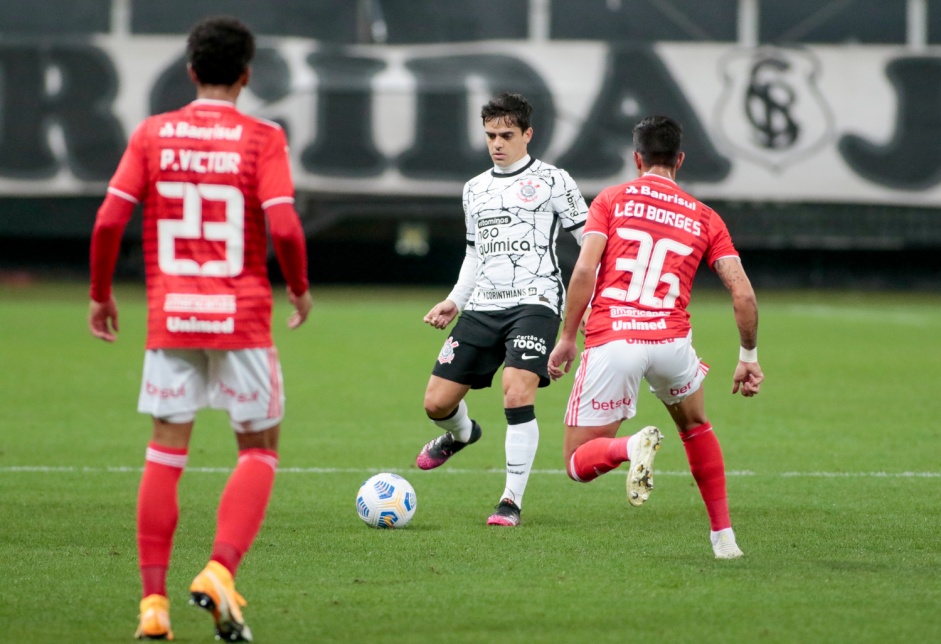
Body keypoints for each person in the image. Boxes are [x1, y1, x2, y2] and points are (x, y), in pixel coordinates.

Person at [88, 16, 312, 641]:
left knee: (164, 453)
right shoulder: (262, 137)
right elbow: (287, 228)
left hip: (172, 315)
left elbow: (109, 221)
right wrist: (296, 287)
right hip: (239, 317)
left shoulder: (152, 134)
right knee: (259, 448)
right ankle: (218, 570)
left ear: (190, 71)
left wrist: (101, 295)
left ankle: (152, 606)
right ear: (245, 75)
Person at [547, 115, 763, 559]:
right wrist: (749, 355)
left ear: (636, 158)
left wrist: (568, 336)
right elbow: (742, 292)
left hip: (615, 339)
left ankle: (631, 445)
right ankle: (724, 539)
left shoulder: (611, 199)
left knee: (576, 460)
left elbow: (585, 269)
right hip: (671, 343)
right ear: (680, 160)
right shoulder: (705, 217)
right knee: (696, 428)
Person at [416, 92, 589, 527]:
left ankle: (510, 501)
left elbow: (590, 242)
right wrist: (455, 300)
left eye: (506, 135)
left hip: (536, 301)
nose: (497, 143)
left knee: (516, 390)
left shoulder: (554, 180)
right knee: (436, 404)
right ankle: (463, 434)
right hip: (481, 306)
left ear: (527, 134)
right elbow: (475, 255)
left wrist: (586, 302)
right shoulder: (474, 189)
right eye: (491, 134)